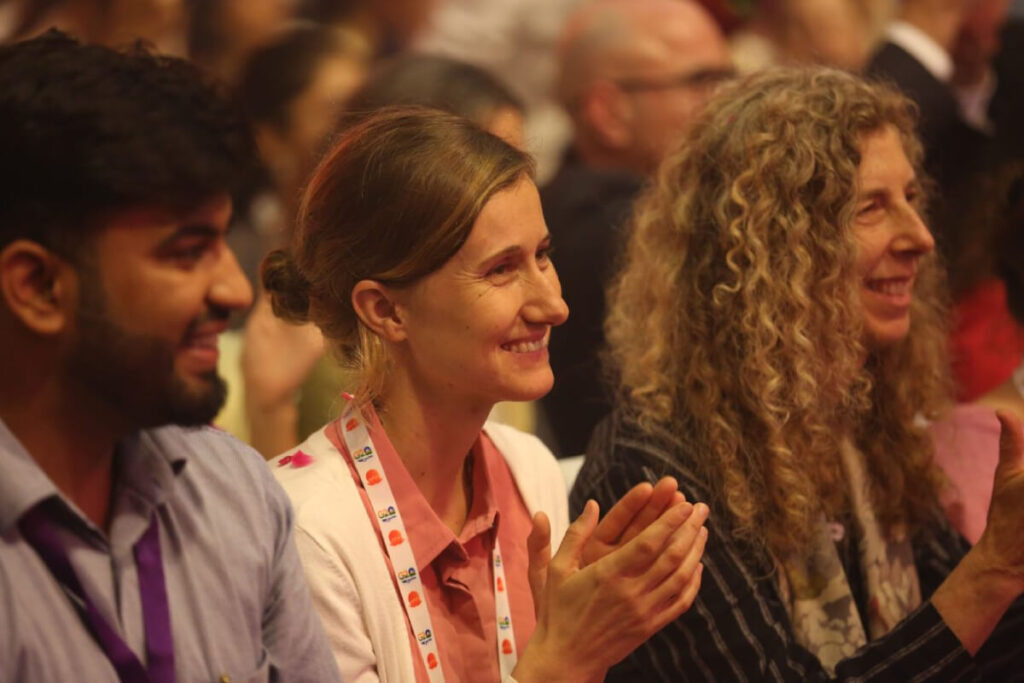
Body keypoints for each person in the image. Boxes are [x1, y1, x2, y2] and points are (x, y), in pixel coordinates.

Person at [571, 67, 1024, 680]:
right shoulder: (655, 470)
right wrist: (992, 570)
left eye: (912, 200)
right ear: (777, 245)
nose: (920, 237)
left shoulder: (866, 425)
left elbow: (971, 649)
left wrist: (1007, 570)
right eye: (871, 207)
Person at [264, 106, 710, 682]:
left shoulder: (529, 469)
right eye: (502, 270)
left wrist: (593, 636)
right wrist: (565, 659)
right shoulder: (305, 530)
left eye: (542, 256)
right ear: (386, 310)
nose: (554, 304)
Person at [0, 30, 340, 681]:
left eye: (223, 241)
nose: (236, 289)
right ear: (38, 286)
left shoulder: (234, 490)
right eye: (188, 251)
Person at [241, 56, 529, 458]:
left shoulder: (517, 305)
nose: (516, 182)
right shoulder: (342, 342)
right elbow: (305, 503)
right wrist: (270, 409)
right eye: (486, 160)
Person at [540, 0, 734, 456]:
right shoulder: (608, 231)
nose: (728, 103)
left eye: (729, 77)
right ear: (609, 112)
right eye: (702, 81)